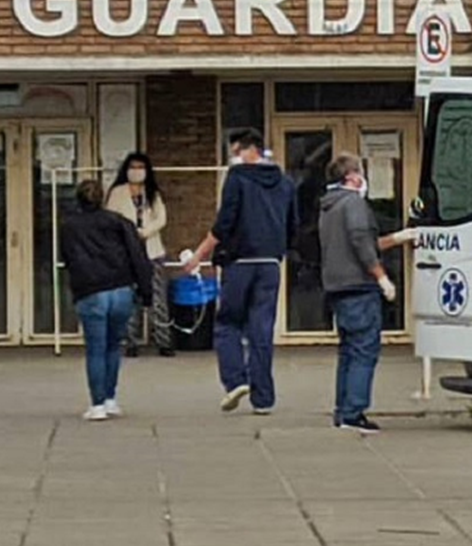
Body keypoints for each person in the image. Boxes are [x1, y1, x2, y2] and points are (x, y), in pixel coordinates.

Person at [183, 128, 298, 415]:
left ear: (249, 150)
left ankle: (235, 380)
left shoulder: (238, 178)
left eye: (236, 152)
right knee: (262, 329)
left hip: (240, 262)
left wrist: (199, 255)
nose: (233, 158)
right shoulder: (285, 182)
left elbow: (224, 223)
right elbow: (293, 224)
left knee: (227, 324)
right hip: (270, 263)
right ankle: (264, 398)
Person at [318, 153, 418, 433]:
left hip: (337, 286)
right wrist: (382, 277)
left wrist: (398, 238)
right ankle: (354, 412)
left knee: (348, 351)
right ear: (352, 177)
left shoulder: (329, 207)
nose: (364, 178)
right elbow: (362, 242)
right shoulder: (353, 203)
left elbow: (362, 243)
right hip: (359, 287)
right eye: (361, 172)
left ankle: (343, 411)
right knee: (364, 350)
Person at [60, 179, 154, 422]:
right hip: (121, 289)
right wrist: (146, 292)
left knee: (96, 349)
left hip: (90, 291)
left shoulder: (69, 226)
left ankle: (97, 404)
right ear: (102, 198)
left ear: (78, 199)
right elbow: (138, 256)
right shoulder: (120, 222)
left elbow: (68, 258)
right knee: (114, 346)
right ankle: (111, 399)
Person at [105, 152, 174, 358]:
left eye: (140, 167)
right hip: (126, 253)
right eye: (133, 167)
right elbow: (111, 218)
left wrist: (145, 232)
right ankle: (130, 342)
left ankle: (163, 340)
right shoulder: (117, 193)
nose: (136, 171)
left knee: (158, 299)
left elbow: (162, 218)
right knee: (128, 299)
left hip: (152, 250)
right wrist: (129, 233)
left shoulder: (152, 192)